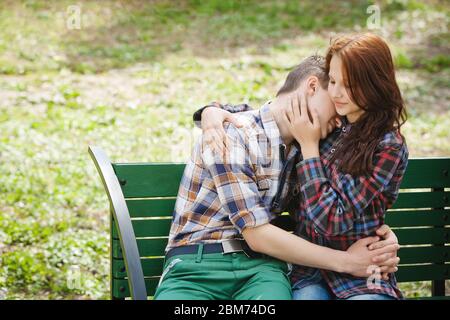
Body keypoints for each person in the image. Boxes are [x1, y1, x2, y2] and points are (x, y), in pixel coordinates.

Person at [153, 54, 400, 300]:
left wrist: (381, 237)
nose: (339, 121)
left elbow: (344, 202)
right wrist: (347, 261)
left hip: (261, 270)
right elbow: (257, 234)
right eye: (335, 105)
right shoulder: (231, 134)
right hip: (197, 266)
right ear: (312, 87)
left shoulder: (311, 146)